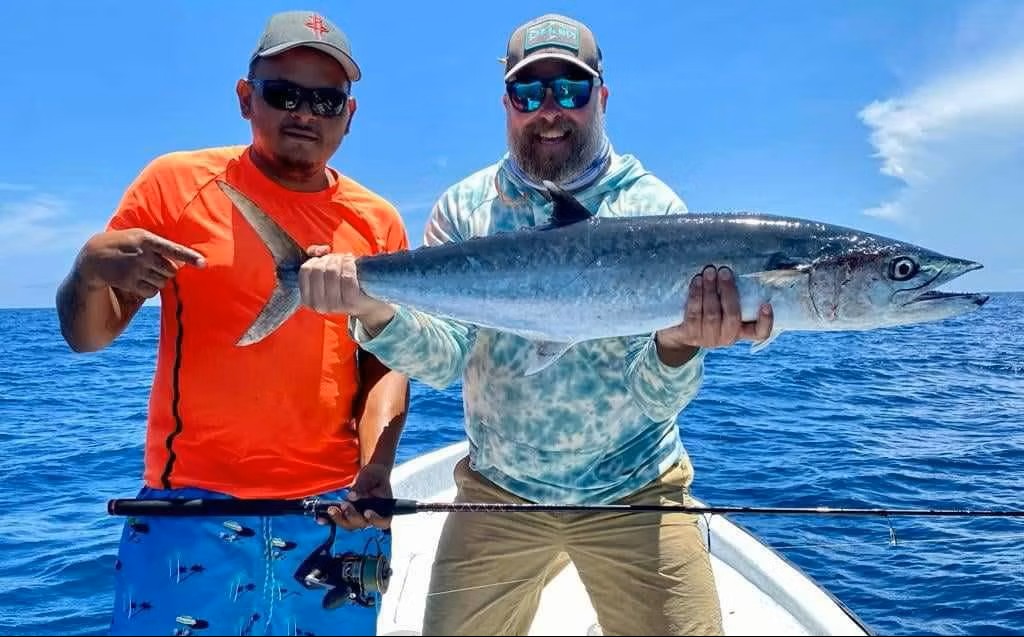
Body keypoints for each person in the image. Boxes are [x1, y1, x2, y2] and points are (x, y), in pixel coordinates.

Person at [299, 13, 773, 637]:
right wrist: (371, 307)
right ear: (507, 104)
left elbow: (655, 398)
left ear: (601, 97)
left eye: (570, 90)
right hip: (498, 491)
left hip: (636, 489)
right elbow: (445, 360)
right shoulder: (467, 209)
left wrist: (679, 343)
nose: (550, 110)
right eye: (529, 92)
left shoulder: (651, 208)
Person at [55, 10, 410, 636]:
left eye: (326, 100)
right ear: (246, 98)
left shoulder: (377, 220)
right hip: (190, 509)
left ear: (349, 115)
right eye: (284, 94)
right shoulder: (173, 186)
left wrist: (374, 470)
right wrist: (88, 268)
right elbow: (89, 336)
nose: (305, 113)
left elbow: (386, 362)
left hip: (334, 510)